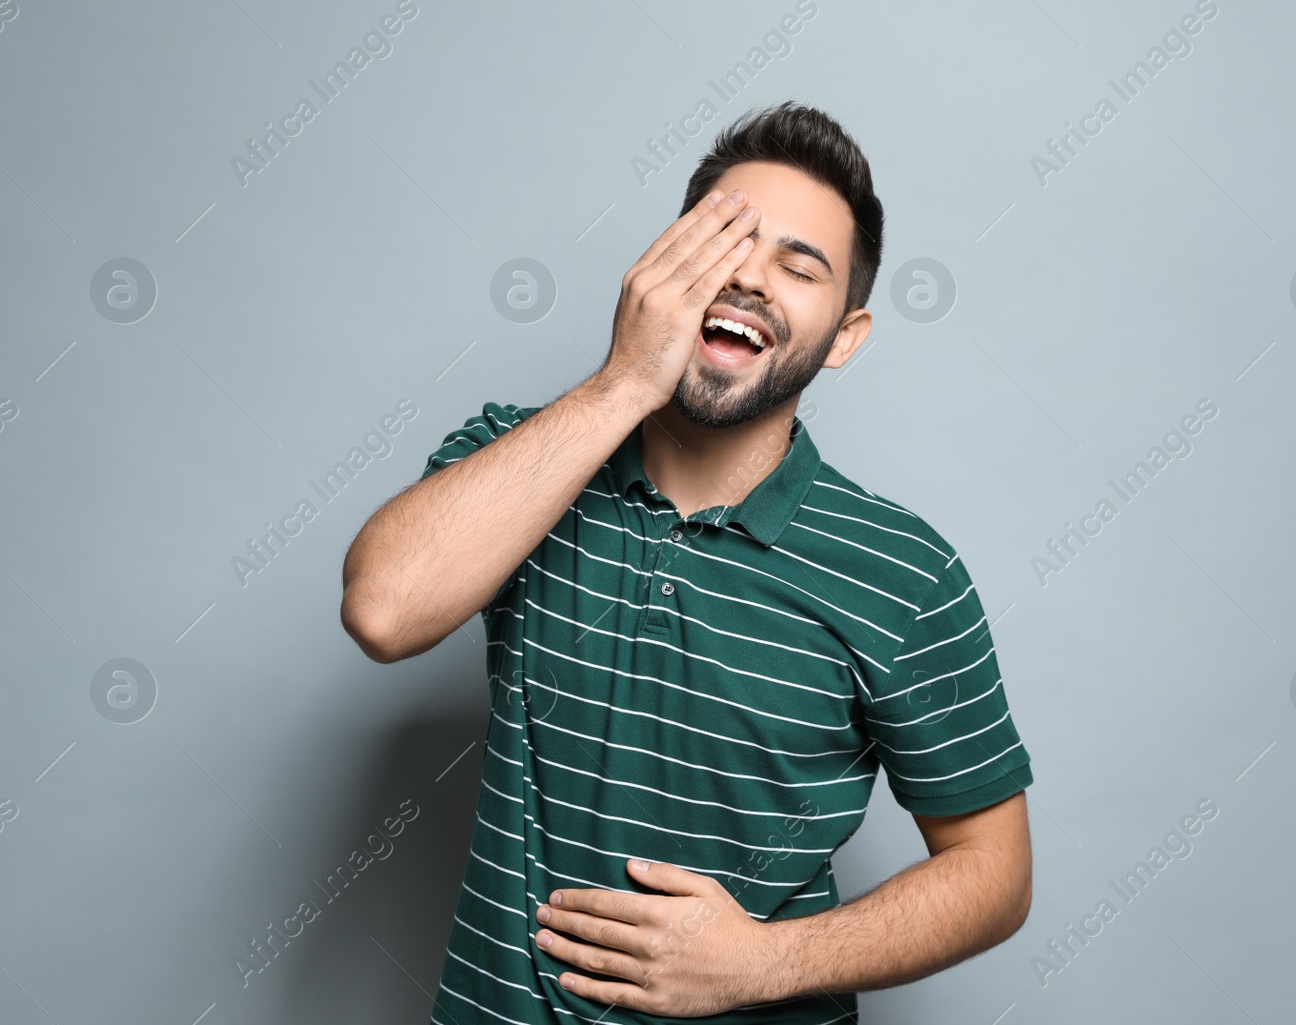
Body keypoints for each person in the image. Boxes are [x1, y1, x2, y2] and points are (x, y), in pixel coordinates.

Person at [340, 100, 1034, 1023]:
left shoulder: (905, 572)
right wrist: (625, 379)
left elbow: (996, 872)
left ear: (845, 337)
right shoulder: (521, 456)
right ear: (662, 266)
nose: (748, 278)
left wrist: (763, 962)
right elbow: (384, 609)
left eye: (799, 265)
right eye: (721, 241)